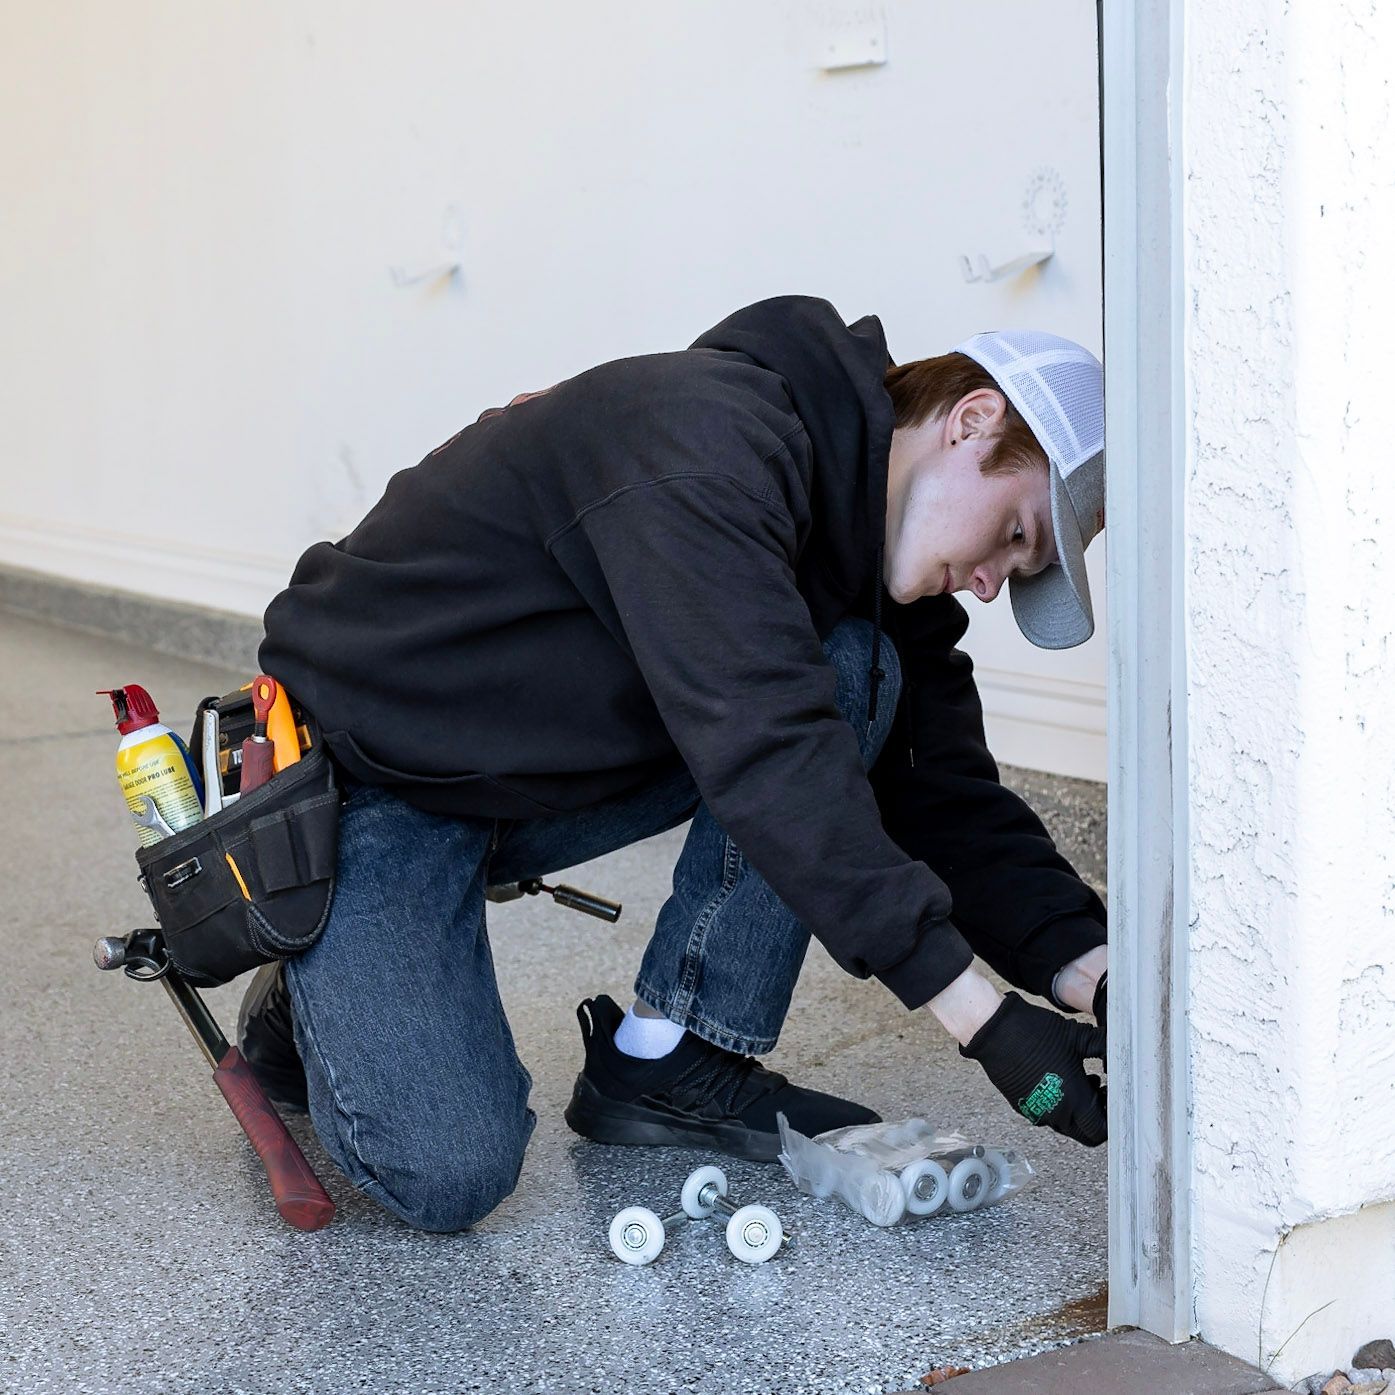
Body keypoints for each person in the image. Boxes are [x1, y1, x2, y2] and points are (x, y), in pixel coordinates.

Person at [241, 295, 1109, 1234]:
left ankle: (669, 1055)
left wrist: (1091, 972)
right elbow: (770, 755)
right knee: (449, 1172)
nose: (988, 582)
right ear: (970, 421)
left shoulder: (872, 560)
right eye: (1014, 534)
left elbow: (947, 798)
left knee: (860, 671)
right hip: (372, 777)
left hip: (527, 769)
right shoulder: (703, 443)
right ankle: (308, 988)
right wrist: (985, 1023)